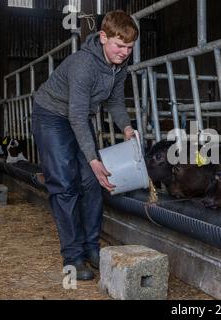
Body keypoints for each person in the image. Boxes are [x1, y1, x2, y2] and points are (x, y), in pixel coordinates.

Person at [32, 10, 138, 280]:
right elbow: (77, 116)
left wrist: (126, 127)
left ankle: (92, 247)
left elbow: (114, 102)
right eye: (119, 46)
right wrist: (92, 157)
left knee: (92, 182)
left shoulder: (118, 64)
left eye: (129, 47)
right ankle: (74, 256)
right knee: (65, 184)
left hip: (78, 117)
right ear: (103, 37)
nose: (124, 52)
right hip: (52, 115)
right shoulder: (83, 64)